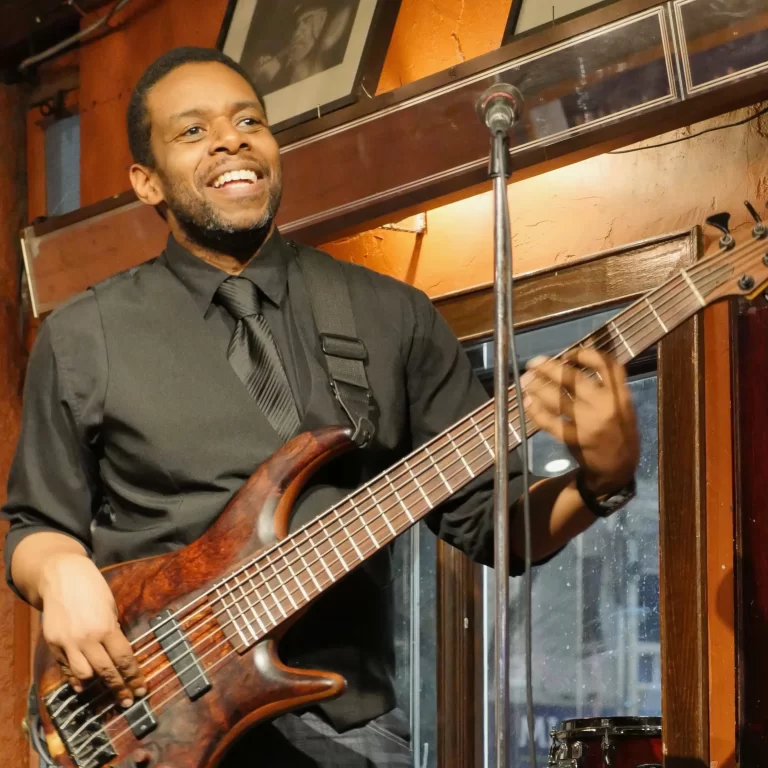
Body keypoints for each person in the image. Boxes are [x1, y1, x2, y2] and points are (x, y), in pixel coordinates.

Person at [2, 47, 640, 767]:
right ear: (146, 182)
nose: (231, 138)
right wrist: (60, 573)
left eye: (249, 121)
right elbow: (34, 526)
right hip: (146, 724)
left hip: (347, 735)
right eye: (193, 131)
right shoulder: (86, 334)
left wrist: (602, 480)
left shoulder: (390, 315)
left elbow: (501, 528)